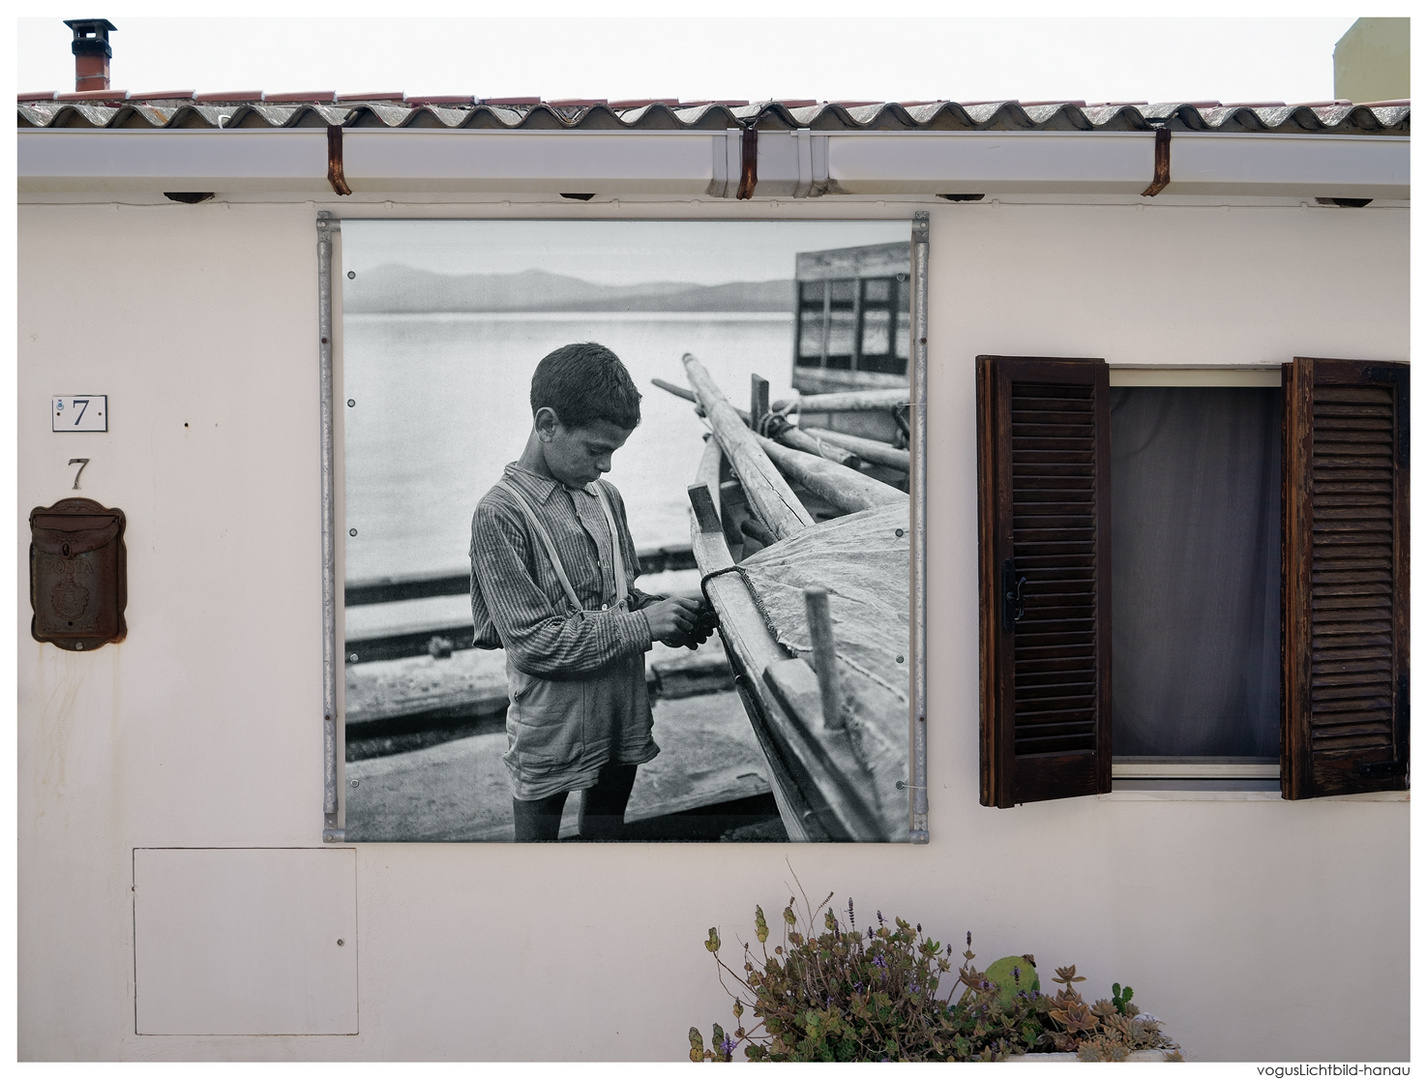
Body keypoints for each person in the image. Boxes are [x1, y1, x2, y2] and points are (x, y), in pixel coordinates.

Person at [469, 342, 714, 842]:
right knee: (535, 852)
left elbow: (622, 596)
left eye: (614, 452)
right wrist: (645, 624)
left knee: (607, 835)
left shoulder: (606, 498)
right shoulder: (500, 514)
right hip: (551, 726)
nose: (606, 466)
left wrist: (671, 613)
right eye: (595, 449)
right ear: (547, 424)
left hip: (619, 708)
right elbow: (533, 643)